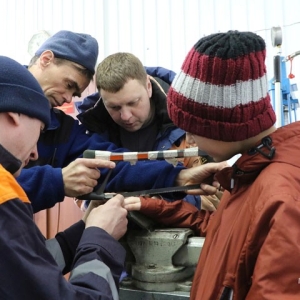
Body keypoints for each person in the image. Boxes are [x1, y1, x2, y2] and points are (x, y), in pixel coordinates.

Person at [124, 30, 300, 299]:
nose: (190, 139)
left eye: (193, 129)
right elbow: (229, 235)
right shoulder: (251, 172)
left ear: (224, 124)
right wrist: (153, 206)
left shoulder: (280, 197)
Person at [16, 30, 219, 213]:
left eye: (75, 92)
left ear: (148, 87)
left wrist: (179, 178)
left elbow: (115, 164)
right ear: (46, 59)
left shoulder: (62, 130)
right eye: (68, 85)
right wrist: (55, 181)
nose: (69, 99)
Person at [0, 55, 128, 299]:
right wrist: (100, 239)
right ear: (14, 115)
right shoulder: (3, 194)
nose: (36, 151)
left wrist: (84, 231)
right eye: (39, 130)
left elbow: (26, 270)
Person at [77, 52, 219, 210]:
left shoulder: (192, 122)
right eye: (114, 107)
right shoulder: (91, 131)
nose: (126, 116)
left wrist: (156, 205)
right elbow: (82, 193)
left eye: (133, 102)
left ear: (149, 87)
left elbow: (215, 195)